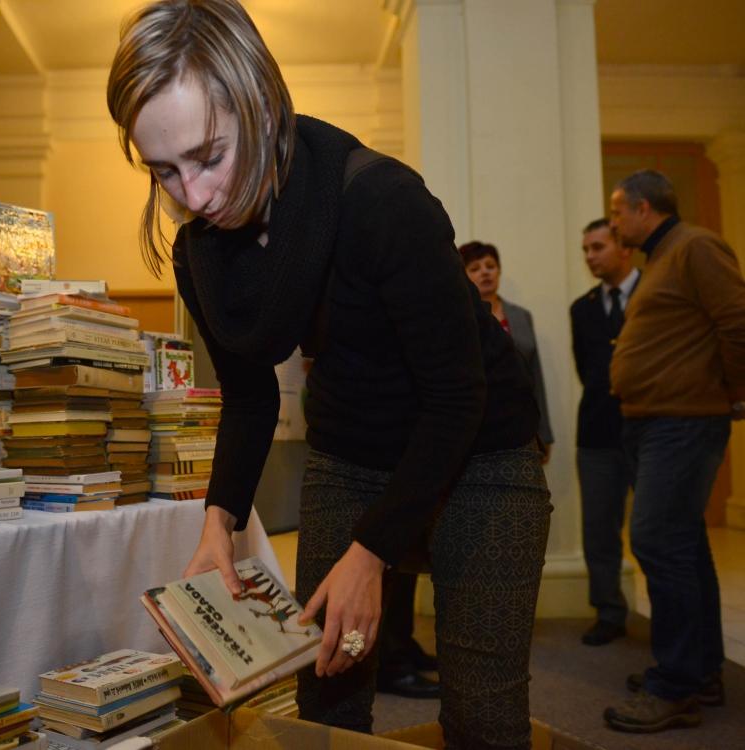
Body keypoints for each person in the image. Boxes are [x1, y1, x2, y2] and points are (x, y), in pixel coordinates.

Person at [107, 2, 551, 746]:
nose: (195, 197)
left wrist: (371, 553)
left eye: (209, 156)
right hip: (350, 452)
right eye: (165, 171)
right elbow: (250, 396)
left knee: (483, 714)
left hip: (481, 452)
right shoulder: (199, 252)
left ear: (261, 103)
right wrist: (218, 526)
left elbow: (456, 396)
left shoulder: (383, 201)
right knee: (326, 696)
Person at [604, 169, 745, 733]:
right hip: (656, 420)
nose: (614, 222)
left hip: (683, 421)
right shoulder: (663, 257)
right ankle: (701, 669)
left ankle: (676, 685)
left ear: (645, 208)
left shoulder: (695, 246)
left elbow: (738, 321)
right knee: (683, 543)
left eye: (618, 211)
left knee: (657, 539)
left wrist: (734, 392)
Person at [570, 220, 638, 646]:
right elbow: (587, 370)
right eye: (585, 250)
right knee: (598, 529)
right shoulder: (583, 308)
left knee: (655, 530)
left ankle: (673, 619)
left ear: (624, 247)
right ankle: (609, 611)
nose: (590, 256)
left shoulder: (655, 293)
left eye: (598, 247)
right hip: (597, 432)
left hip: (651, 427)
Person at [459, 241, 554, 462]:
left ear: (499, 270)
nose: (485, 272)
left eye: (490, 266)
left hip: (521, 420)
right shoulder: (460, 317)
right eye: (475, 268)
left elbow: (535, 375)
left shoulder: (521, 316)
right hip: (478, 424)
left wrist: (544, 432)